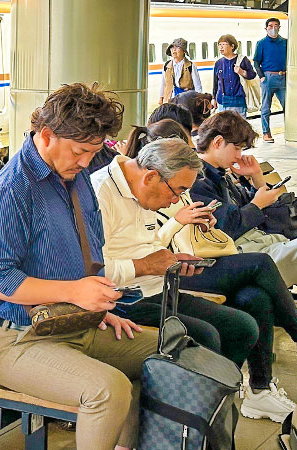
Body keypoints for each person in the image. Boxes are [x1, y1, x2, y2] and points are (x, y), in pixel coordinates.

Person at [0, 82, 156, 450]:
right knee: (108, 390)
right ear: (46, 135)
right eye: (79, 151)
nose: (86, 162)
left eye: (94, 152)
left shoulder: (74, 178)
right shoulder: (14, 188)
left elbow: (89, 253)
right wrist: (75, 292)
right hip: (19, 338)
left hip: (73, 323)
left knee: (166, 351)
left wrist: (97, 304)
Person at [92, 135, 297, 422]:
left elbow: (150, 247)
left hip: (159, 287)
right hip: (123, 300)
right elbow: (90, 270)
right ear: (151, 176)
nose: (176, 200)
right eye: (176, 192)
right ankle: (193, 417)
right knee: (208, 334)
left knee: (245, 323)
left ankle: (214, 410)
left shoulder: (145, 190)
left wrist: (172, 262)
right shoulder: (100, 194)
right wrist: (145, 265)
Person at [190, 110, 297, 288]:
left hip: (262, 245)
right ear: (217, 142)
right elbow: (226, 228)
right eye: (237, 148)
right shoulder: (198, 180)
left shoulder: (219, 173)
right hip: (247, 255)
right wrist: (257, 204)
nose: (239, 155)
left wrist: (256, 177)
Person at [254, 17, 288, 143]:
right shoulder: (261, 43)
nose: (273, 28)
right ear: (266, 28)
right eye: (270, 25)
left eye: (276, 25)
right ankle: (266, 133)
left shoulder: (285, 42)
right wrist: (262, 76)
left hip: (283, 77)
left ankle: (290, 130)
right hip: (268, 78)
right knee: (266, 107)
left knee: (288, 106)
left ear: (279, 27)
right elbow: (256, 61)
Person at [212, 34, 258, 119]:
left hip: (238, 101)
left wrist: (242, 72)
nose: (220, 47)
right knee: (224, 128)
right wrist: (214, 98)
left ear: (232, 46)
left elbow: (252, 75)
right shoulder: (218, 63)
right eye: (219, 45)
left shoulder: (242, 60)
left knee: (240, 128)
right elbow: (215, 82)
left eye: (223, 44)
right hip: (222, 101)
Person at [159, 38, 203, 104]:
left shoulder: (190, 66)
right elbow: (163, 83)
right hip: (170, 100)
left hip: (186, 101)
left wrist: (199, 100)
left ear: (183, 51)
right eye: (172, 47)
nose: (174, 50)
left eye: (177, 47)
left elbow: (197, 86)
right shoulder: (166, 66)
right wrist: (161, 98)